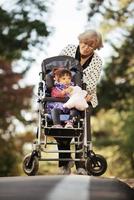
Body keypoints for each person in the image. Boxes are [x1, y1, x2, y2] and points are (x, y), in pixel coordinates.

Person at [57, 29, 104, 175]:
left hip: (84, 98)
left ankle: (81, 165)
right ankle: (64, 161)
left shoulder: (97, 61)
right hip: (63, 97)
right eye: (84, 43)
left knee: (80, 126)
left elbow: (91, 84)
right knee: (62, 122)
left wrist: (81, 93)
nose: (86, 47)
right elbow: (56, 71)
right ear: (80, 41)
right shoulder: (68, 49)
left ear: (95, 47)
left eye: (91, 46)